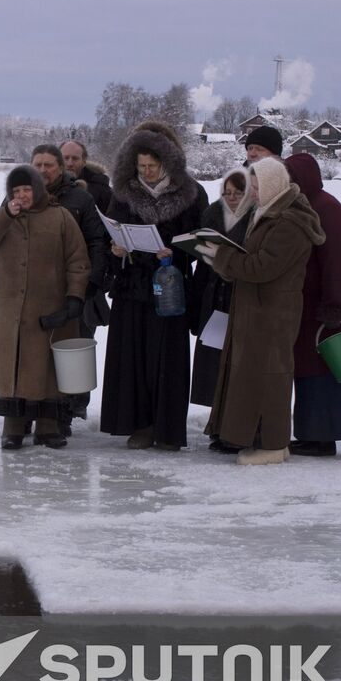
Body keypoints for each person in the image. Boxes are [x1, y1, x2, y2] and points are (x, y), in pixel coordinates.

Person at [199, 157, 325, 465]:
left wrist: (222, 257)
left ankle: (273, 444)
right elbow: (252, 260)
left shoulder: (290, 222)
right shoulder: (269, 214)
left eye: (256, 187)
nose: (251, 193)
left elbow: (262, 266)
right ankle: (264, 440)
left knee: (271, 376)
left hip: (273, 313)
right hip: (257, 309)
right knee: (254, 376)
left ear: (271, 186)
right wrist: (223, 259)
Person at [99, 121, 208, 450]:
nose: (146, 172)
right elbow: (111, 230)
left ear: (167, 162)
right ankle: (139, 423)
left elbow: (202, 239)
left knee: (168, 359)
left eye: (152, 166)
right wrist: (116, 247)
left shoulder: (191, 193)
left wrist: (174, 251)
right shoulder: (124, 192)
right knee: (133, 357)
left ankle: (168, 428)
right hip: (132, 286)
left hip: (170, 286)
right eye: (141, 166)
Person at [0, 164, 90, 450]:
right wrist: (5, 215)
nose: (23, 195)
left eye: (27, 189)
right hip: (9, 310)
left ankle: (48, 427)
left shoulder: (60, 217)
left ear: (38, 189)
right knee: (12, 366)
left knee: (47, 370)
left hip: (49, 309)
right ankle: (12, 427)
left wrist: (75, 297)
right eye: (17, 191)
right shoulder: (2, 216)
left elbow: (78, 260)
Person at [282, 153, 341, 457]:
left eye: (292, 177)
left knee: (326, 370)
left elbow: (335, 262)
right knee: (311, 371)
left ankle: (323, 437)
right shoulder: (308, 205)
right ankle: (313, 433)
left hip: (329, 305)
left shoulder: (327, 209)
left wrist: (333, 306)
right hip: (313, 303)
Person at [30, 146, 110, 422]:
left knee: (74, 347)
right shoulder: (23, 195)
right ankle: (33, 409)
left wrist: (94, 282)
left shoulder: (84, 197)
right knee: (36, 351)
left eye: (49, 164)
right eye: (38, 164)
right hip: (36, 290)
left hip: (77, 285)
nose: (44, 170)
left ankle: (71, 408)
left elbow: (98, 241)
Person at [187, 169, 254, 452]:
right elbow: (203, 265)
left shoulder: (257, 217)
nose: (232, 198)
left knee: (240, 365)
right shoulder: (213, 214)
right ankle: (218, 424)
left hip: (243, 296)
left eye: (238, 193)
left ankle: (238, 426)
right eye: (227, 193)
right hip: (214, 297)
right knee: (215, 363)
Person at [61, 139, 113, 214]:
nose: (70, 163)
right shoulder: (48, 187)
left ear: (84, 161)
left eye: (75, 158)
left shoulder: (102, 191)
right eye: (65, 158)